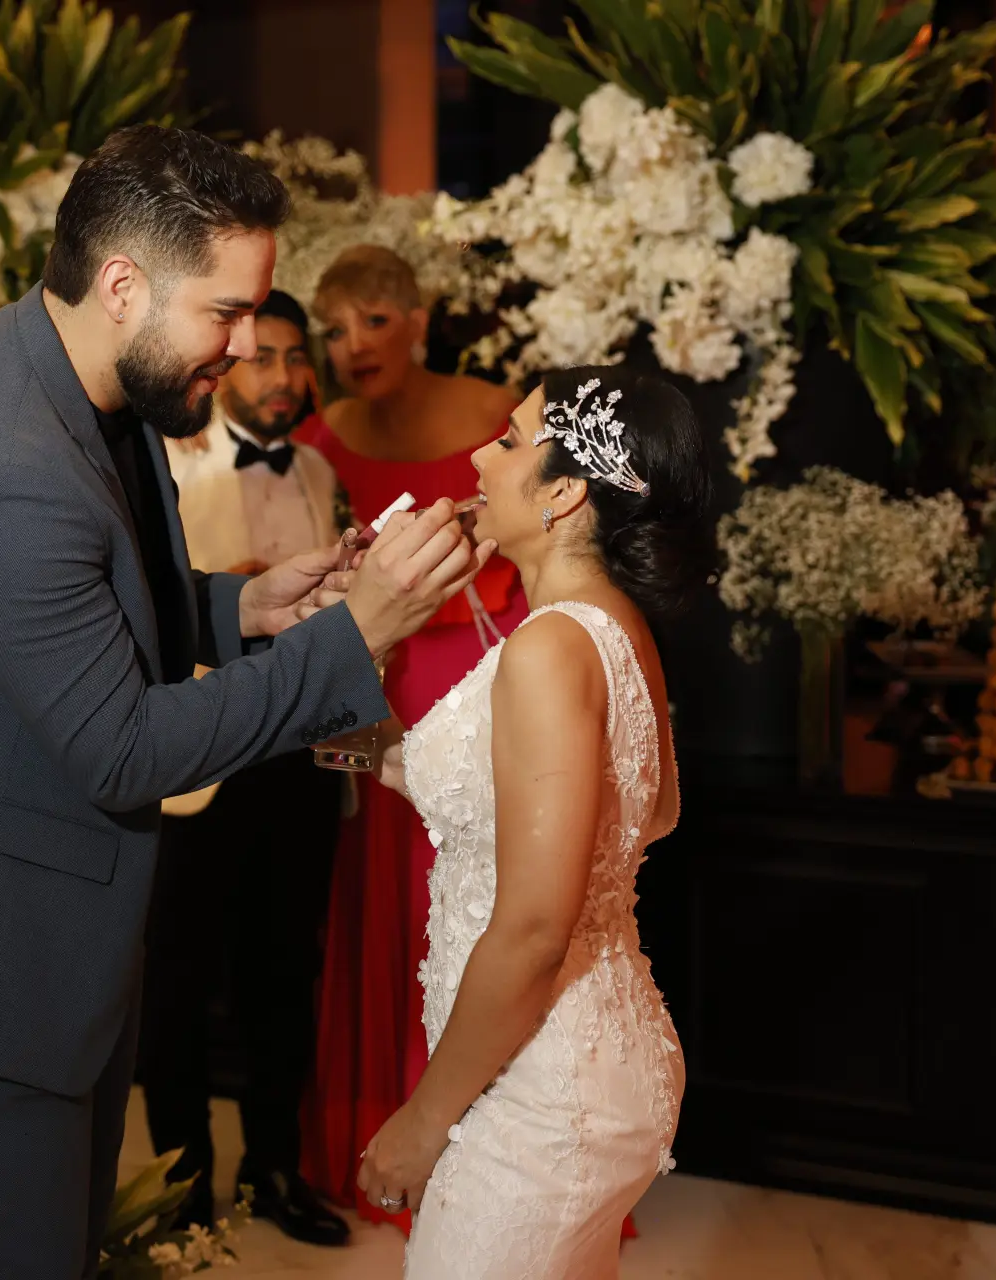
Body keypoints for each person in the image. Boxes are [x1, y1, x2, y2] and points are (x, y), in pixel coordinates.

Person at [0, 124, 495, 1279]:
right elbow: (123, 746)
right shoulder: (6, 465)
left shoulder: (83, 379)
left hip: (47, 920)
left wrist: (243, 608)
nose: (244, 346)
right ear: (123, 284)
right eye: (225, 312)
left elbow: (99, 599)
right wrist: (355, 632)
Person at [358, 365, 714, 1277]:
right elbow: (649, 811)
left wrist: (422, 1121)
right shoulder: (618, 628)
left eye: (511, 441)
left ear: (564, 492)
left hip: (538, 1092)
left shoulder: (551, 646)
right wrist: (344, 653)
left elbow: (533, 928)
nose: (481, 453)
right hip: (599, 1054)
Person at [297, 244, 533, 1227]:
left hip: (487, 679)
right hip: (379, 691)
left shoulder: (500, 417)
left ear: (421, 319)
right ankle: (378, 1129)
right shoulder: (320, 435)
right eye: (336, 329)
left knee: (484, 897)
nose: (353, 345)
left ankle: (493, 1145)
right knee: (381, 894)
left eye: (374, 321)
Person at [141, 289, 350, 1247]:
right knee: (176, 983)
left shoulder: (314, 466)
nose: (282, 377)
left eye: (295, 357)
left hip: (297, 757)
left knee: (282, 974)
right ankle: (180, 1186)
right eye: (262, 356)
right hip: (197, 758)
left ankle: (275, 1169)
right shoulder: (166, 460)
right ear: (225, 359)